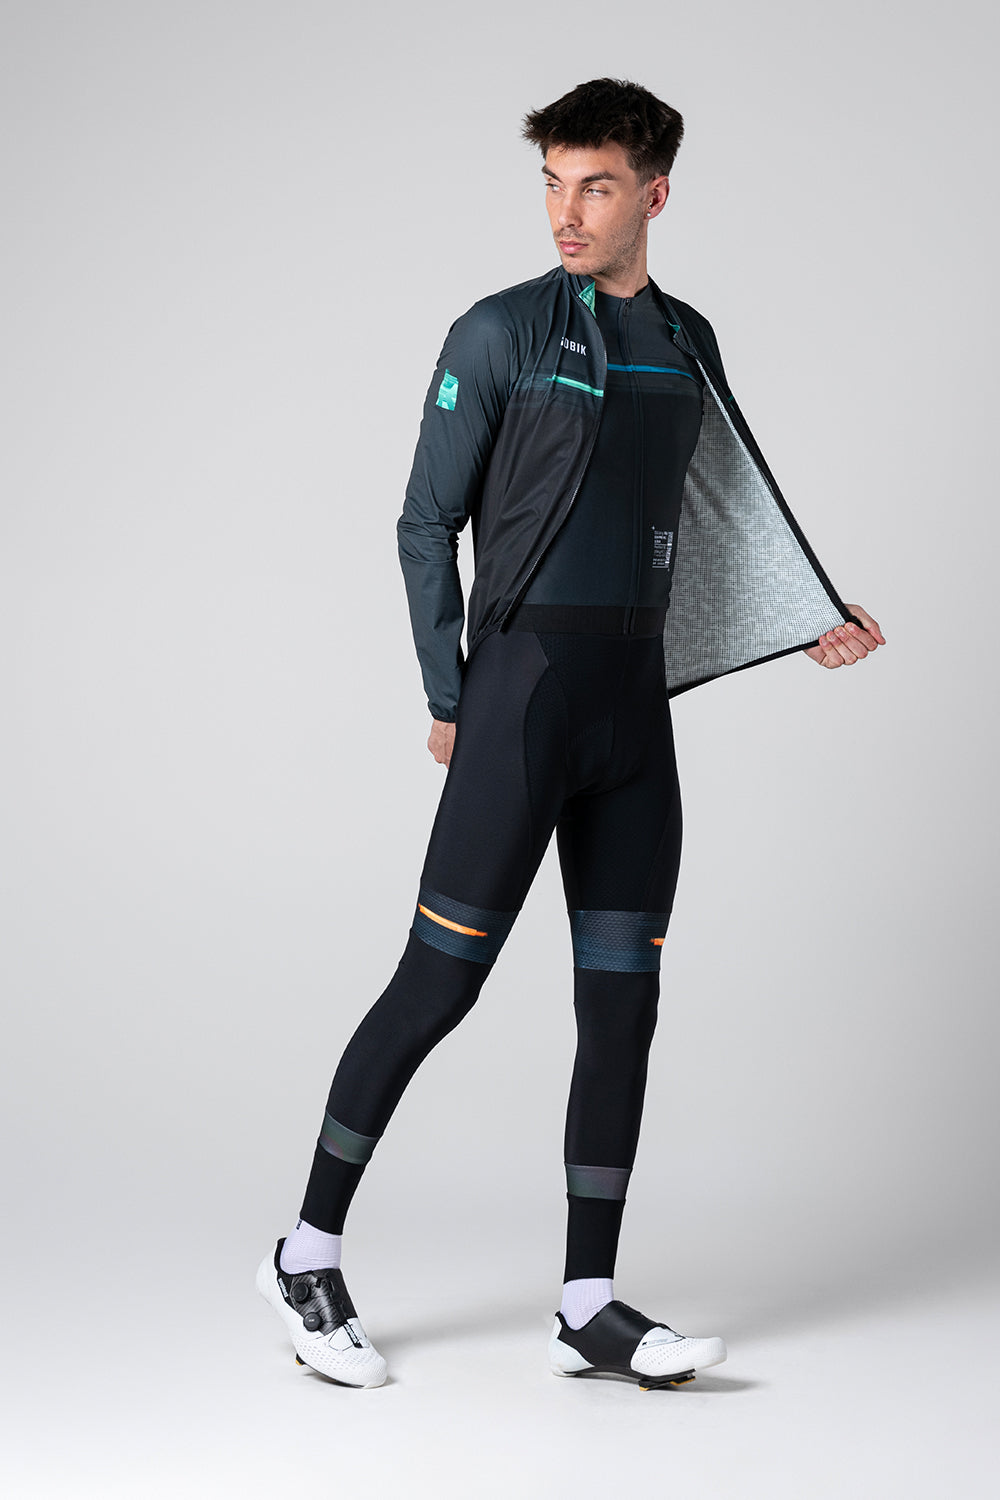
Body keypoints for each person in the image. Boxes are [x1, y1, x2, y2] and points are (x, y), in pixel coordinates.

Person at [256, 77, 885, 1391]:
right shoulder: (498, 332)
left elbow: (725, 507)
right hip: (522, 698)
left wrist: (810, 615)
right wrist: (450, 695)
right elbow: (423, 524)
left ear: (655, 194)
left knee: (623, 1004)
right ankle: (305, 1252)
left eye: (595, 185)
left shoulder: (689, 339)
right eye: (552, 181)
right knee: (440, 984)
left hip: (631, 714)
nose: (567, 210)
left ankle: (588, 1303)